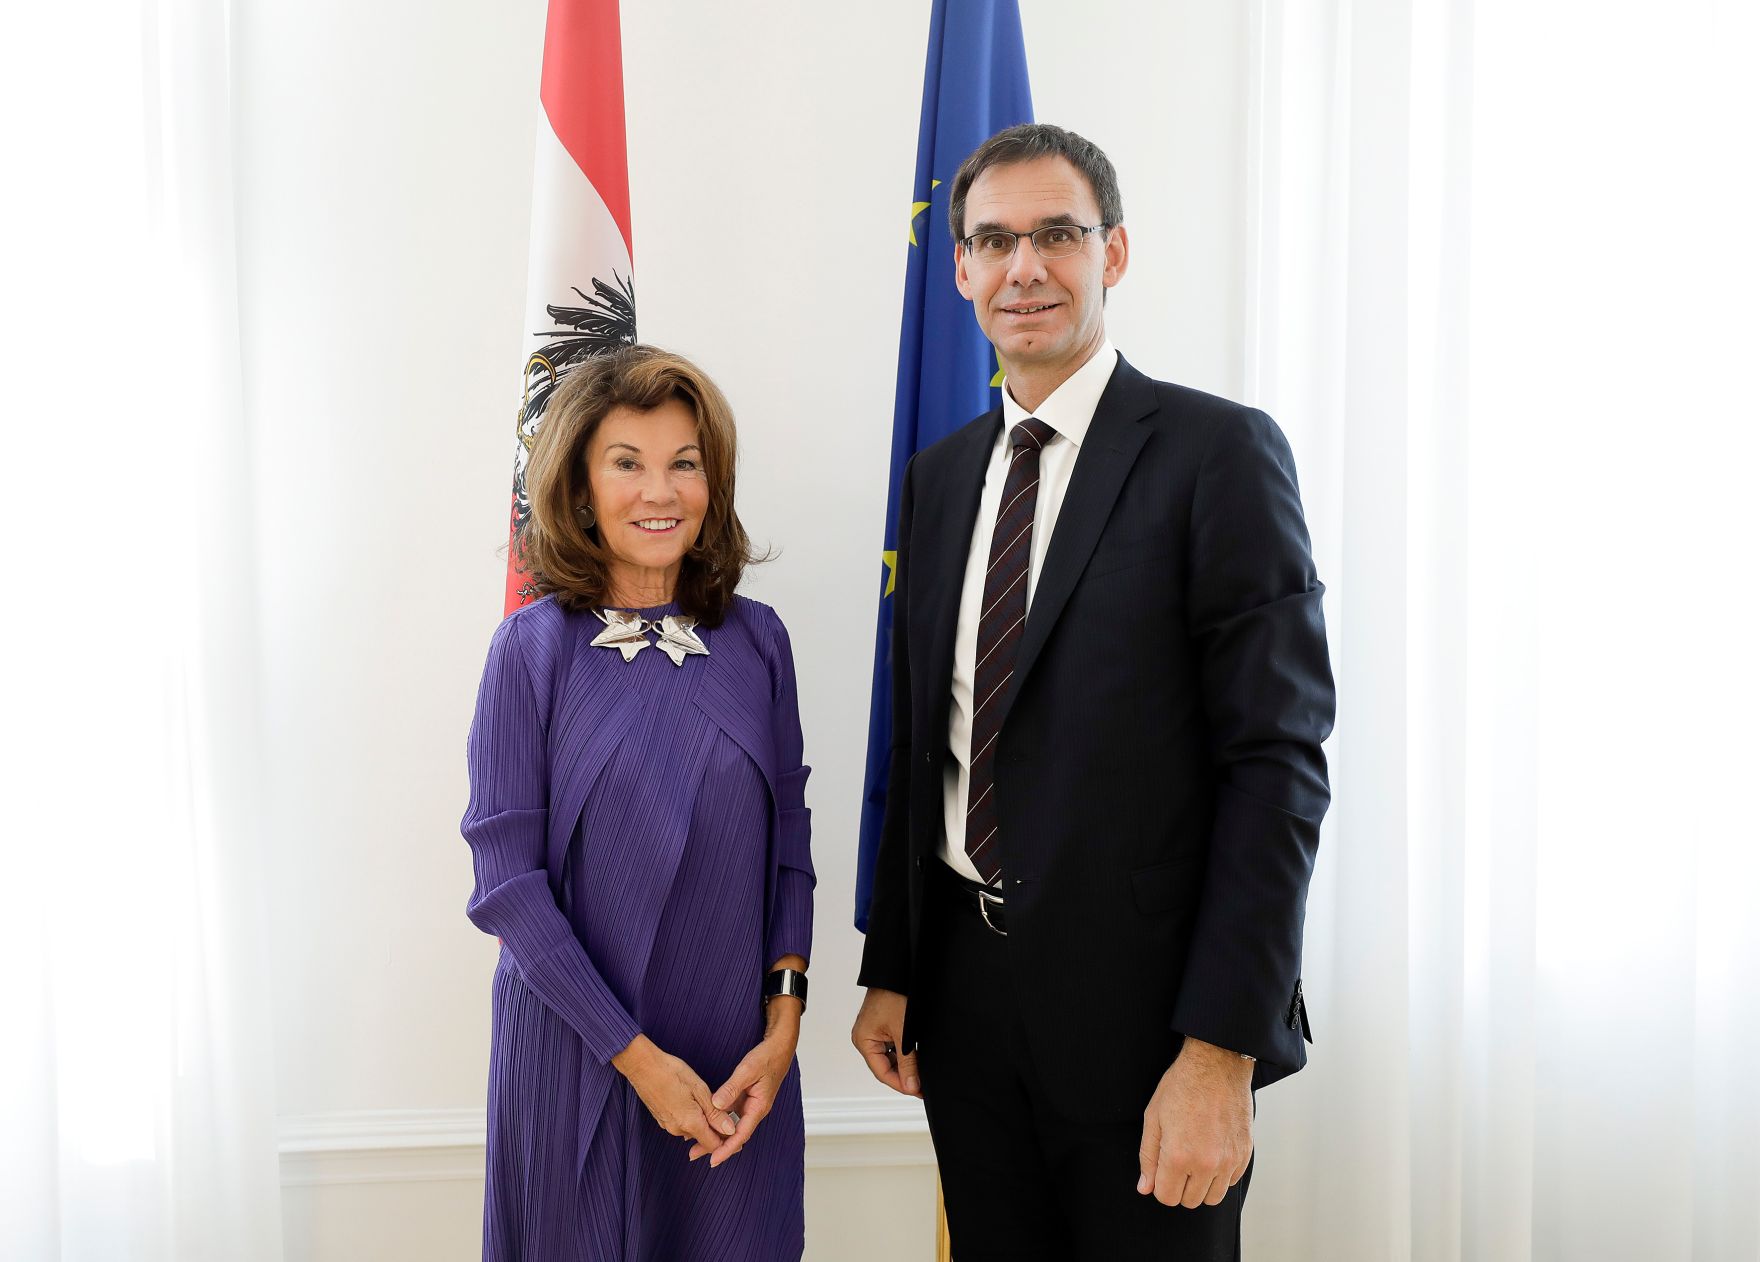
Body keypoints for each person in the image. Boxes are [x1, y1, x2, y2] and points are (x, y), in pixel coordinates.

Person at [851, 123, 1335, 1259]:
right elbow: (925, 740)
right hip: (965, 1013)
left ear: (1111, 252)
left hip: (1150, 1026)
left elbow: (1276, 766)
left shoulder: (1218, 455)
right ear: (960, 268)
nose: (1025, 267)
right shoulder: (937, 480)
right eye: (994, 240)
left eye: (1056, 234)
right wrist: (895, 966)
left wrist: (1221, 1049)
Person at [461, 345, 814, 1261]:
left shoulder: (760, 641)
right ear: (580, 487)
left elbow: (790, 849)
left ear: (712, 482)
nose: (659, 491)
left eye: (683, 463)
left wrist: (783, 1027)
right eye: (628, 463)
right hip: (575, 1054)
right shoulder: (528, 651)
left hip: (737, 1072)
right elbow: (508, 887)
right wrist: (638, 1061)